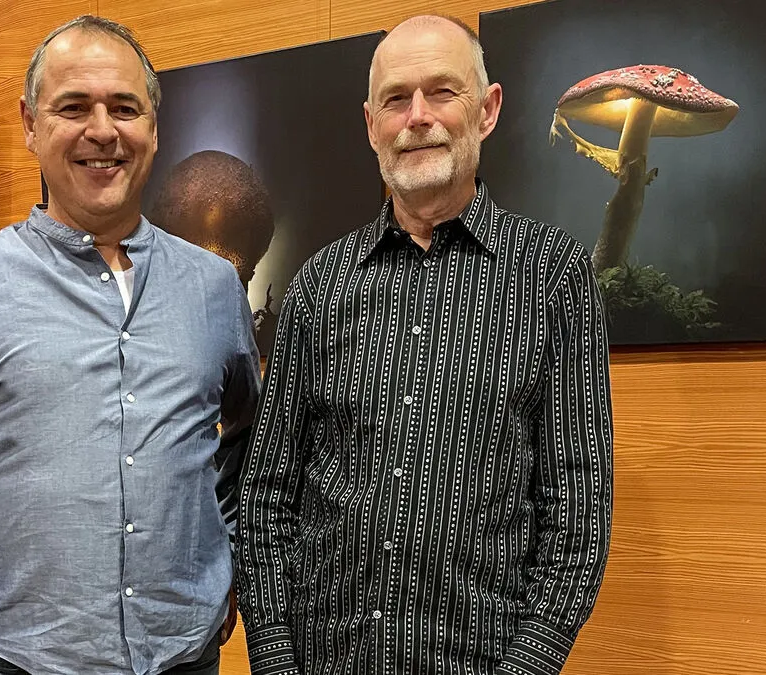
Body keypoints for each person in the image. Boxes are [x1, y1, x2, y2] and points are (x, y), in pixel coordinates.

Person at [0, 15, 260, 675]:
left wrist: (225, 560)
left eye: (124, 108)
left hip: (184, 658)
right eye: (73, 107)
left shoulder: (214, 288)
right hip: (22, 659)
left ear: (153, 128)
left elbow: (249, 437)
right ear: (29, 122)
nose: (102, 130)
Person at [235, 14, 613, 675]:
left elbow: (577, 506)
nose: (417, 118)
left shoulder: (553, 273)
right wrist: (273, 657)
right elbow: (267, 493)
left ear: (487, 110)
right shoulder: (318, 285)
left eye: (443, 92)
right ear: (370, 123)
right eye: (395, 98)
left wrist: (529, 663)